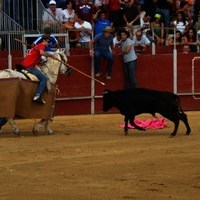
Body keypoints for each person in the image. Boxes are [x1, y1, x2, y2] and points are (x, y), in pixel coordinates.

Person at [21, 35, 57, 104]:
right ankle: (37, 96)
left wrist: (39, 61)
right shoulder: (41, 45)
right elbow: (42, 53)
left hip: (23, 65)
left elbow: (36, 56)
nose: (48, 43)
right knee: (44, 78)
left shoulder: (37, 46)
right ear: (44, 40)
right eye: (48, 41)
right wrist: (52, 56)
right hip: (29, 66)